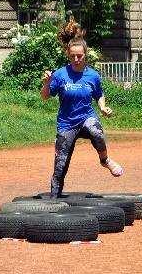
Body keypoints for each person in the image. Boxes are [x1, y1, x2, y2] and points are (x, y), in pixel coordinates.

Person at [40, 18, 124, 199]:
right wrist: (47, 83)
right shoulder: (60, 75)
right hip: (66, 124)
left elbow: (99, 94)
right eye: (73, 56)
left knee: (97, 132)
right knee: (60, 165)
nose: (76, 59)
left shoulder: (93, 75)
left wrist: (102, 107)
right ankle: (54, 200)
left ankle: (105, 160)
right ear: (68, 56)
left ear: (85, 55)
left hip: (86, 117)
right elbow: (45, 96)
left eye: (80, 56)